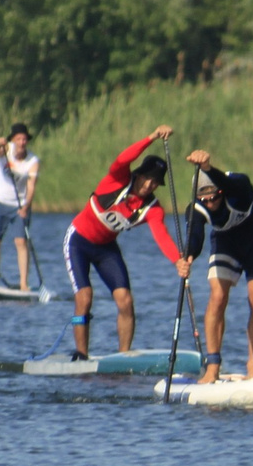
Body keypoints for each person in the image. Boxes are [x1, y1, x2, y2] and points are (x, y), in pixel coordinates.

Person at [64, 125, 189, 358]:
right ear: (139, 174)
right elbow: (123, 158)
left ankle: (123, 356)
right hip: (78, 241)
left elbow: (161, 235)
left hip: (106, 249)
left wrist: (177, 262)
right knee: (85, 297)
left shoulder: (152, 209)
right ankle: (81, 355)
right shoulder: (117, 180)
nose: (150, 186)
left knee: (125, 300)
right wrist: (151, 137)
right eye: (148, 179)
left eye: (156, 183)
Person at [182, 150, 253, 384]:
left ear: (221, 192)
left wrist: (207, 168)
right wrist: (188, 257)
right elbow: (195, 236)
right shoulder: (197, 208)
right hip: (227, 242)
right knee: (217, 296)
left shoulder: (238, 186)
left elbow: (225, 182)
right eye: (204, 199)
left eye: (214, 197)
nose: (210, 203)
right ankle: (212, 367)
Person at [0, 124, 42, 288]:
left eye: (24, 139)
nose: (22, 142)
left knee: (20, 242)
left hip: (20, 206)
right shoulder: (5, 150)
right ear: (13, 140)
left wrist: (26, 207)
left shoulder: (32, 161)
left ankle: (23, 283)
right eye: (18, 139)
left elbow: (31, 186)